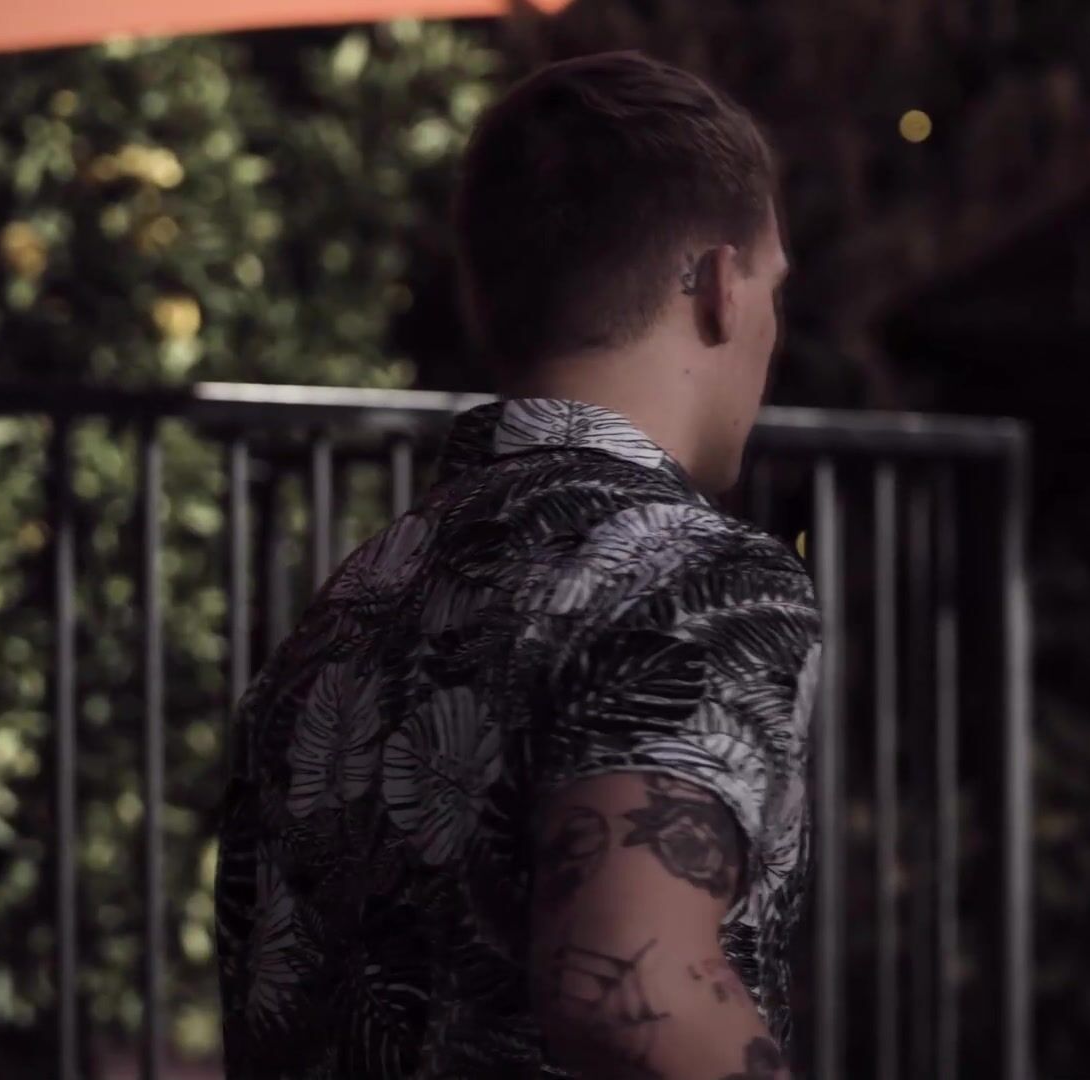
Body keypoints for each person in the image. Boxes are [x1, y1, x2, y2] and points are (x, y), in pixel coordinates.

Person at [214, 50, 822, 1080]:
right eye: (773, 287)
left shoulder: (346, 610)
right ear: (722, 288)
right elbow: (631, 987)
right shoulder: (693, 577)